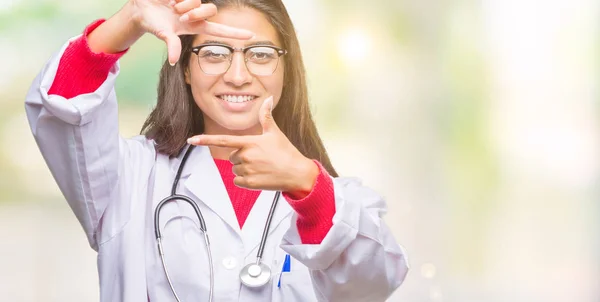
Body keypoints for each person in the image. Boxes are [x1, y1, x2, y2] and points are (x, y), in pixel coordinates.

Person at [25, 0, 409, 301]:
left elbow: (371, 288)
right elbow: (63, 108)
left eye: (260, 54)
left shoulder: (338, 202)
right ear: (187, 68)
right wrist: (130, 18)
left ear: (286, 69)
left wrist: (309, 188)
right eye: (213, 53)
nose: (238, 75)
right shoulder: (131, 179)